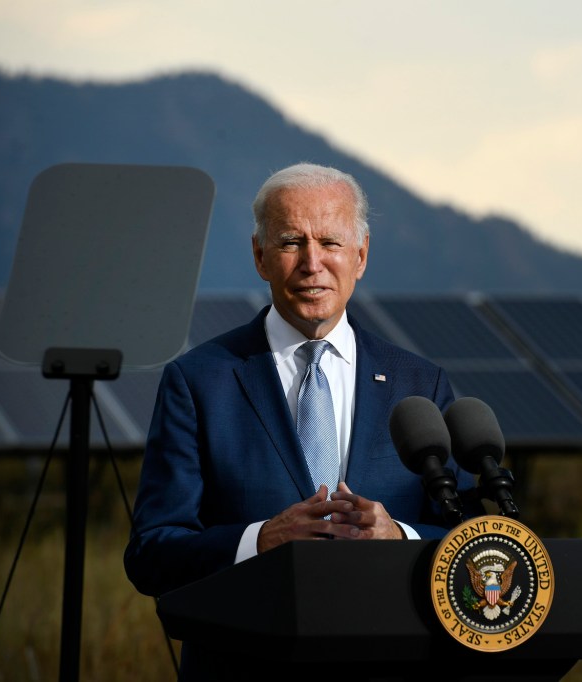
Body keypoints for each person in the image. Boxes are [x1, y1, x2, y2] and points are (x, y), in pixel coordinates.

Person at [124, 163, 478, 674]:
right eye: (292, 241)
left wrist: (400, 539)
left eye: (331, 243)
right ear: (259, 256)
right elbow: (152, 554)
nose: (313, 263)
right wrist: (259, 540)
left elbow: (474, 540)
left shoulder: (419, 385)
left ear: (361, 255)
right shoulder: (199, 381)